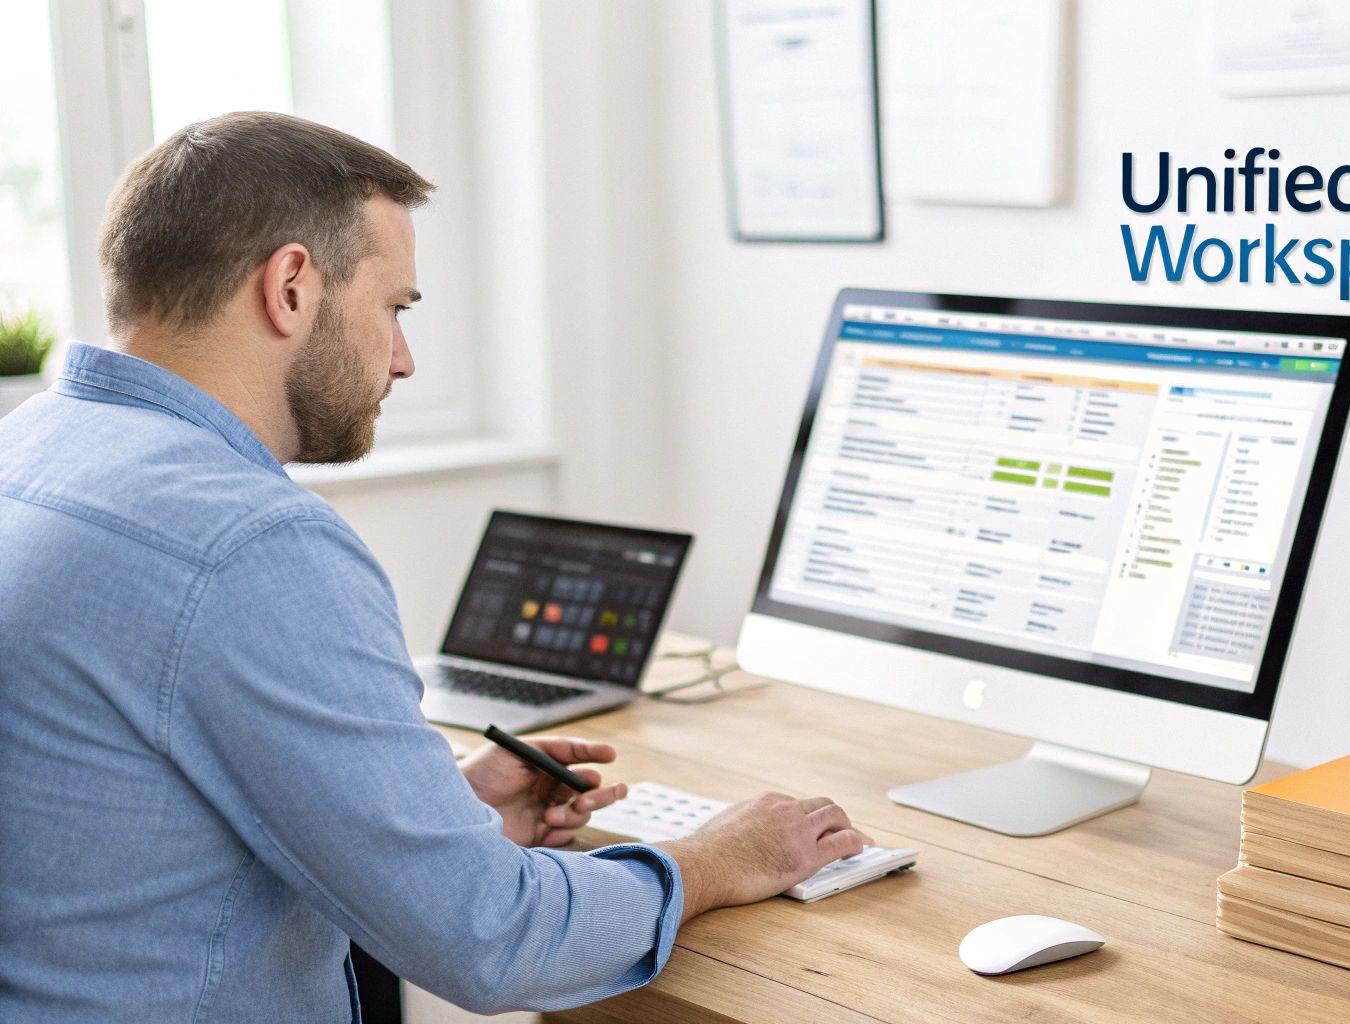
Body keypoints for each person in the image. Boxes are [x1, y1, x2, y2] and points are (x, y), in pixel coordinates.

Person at [0, 111, 865, 1022]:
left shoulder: (33, 452)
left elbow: (125, 831)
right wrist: (723, 855)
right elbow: (495, 941)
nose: (404, 359)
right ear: (291, 286)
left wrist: (437, 817)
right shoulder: (249, 543)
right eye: (395, 309)